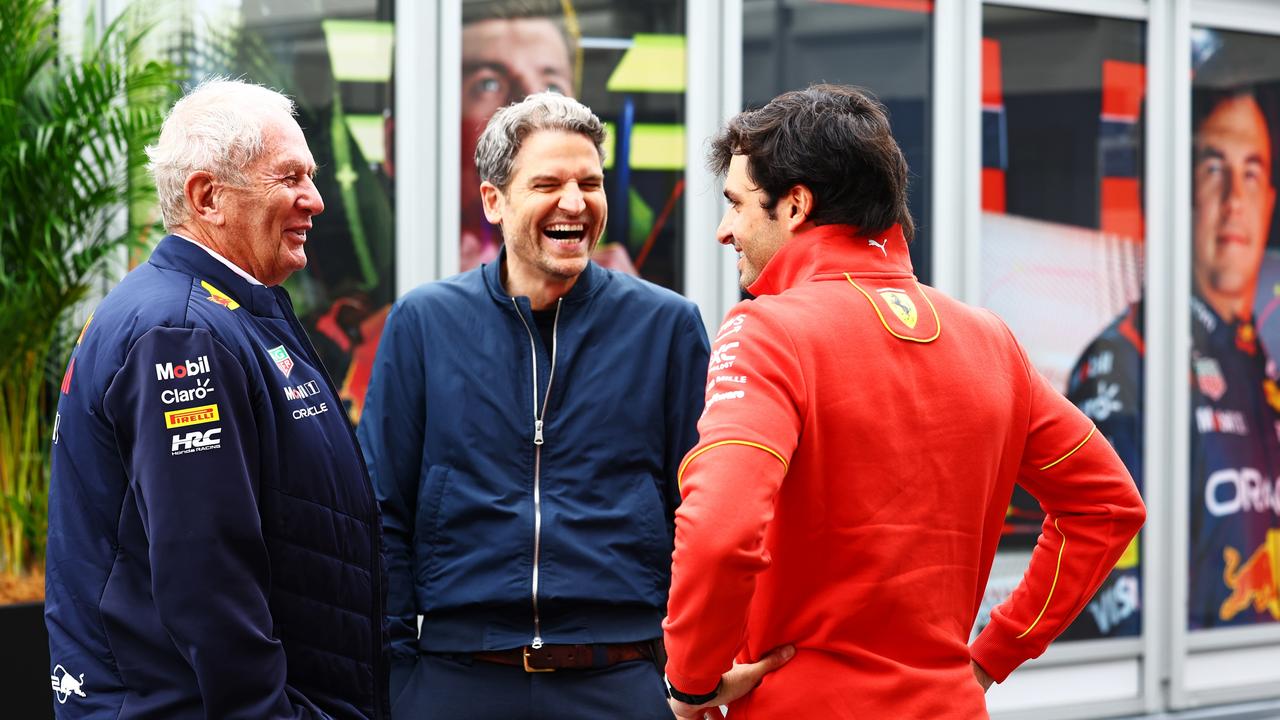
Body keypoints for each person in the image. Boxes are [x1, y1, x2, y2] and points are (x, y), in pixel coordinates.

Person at [662, 84, 1146, 718]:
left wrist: (691, 681)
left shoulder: (768, 330)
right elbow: (1107, 505)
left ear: (797, 205)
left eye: (736, 204)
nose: (725, 230)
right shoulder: (990, 341)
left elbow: (720, 534)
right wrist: (991, 656)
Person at [358, 92, 710, 719]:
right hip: (457, 677)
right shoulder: (424, 322)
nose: (574, 202)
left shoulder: (667, 326)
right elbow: (382, 509)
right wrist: (400, 679)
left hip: (622, 676)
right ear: (494, 200)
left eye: (589, 182)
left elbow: (701, 511)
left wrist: (681, 671)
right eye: (547, 182)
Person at [44, 79, 388, 719]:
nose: (314, 200)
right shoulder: (180, 332)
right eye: (289, 177)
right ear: (209, 197)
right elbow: (205, 573)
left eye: (311, 176)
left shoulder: (226, 312)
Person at [1067, 87, 1280, 630]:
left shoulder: (1260, 370)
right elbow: (1105, 586)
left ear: (1271, 201)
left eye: (1251, 172)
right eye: (1214, 169)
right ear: (1170, 196)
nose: (1235, 198)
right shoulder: (1125, 362)